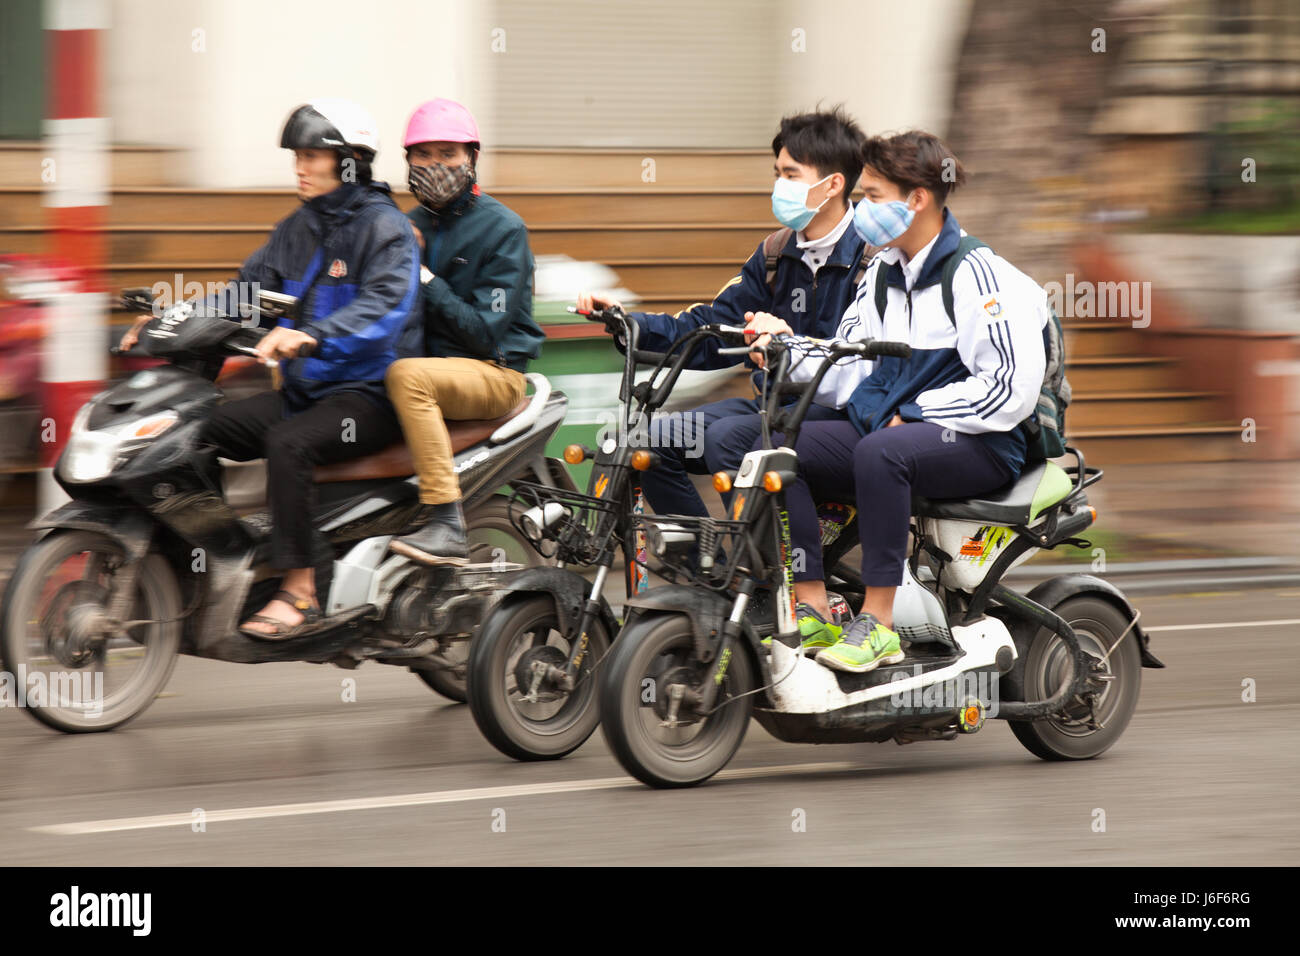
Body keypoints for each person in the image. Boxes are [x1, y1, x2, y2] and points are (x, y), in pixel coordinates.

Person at [744, 130, 1048, 672]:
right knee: (779, 441)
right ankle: (812, 603)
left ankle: (879, 625)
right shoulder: (883, 273)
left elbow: (1009, 391)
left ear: (918, 199)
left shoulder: (981, 276)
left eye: (873, 197)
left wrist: (918, 411)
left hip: (983, 442)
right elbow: (846, 361)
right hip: (900, 433)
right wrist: (784, 350)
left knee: (880, 452)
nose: (861, 211)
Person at [122, 98, 422, 640]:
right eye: (297, 157)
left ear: (351, 160)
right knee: (196, 428)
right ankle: (202, 562)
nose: (299, 168)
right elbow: (241, 296)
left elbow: (385, 307)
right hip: (308, 392)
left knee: (289, 443)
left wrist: (312, 333)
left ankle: (301, 591)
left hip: (368, 396)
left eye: (312, 155)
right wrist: (163, 325)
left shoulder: (387, 229)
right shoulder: (296, 228)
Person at [575, 107, 872, 520]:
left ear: (833, 184)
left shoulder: (874, 257)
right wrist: (631, 323)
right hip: (772, 407)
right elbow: (714, 328)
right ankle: (703, 569)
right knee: (644, 439)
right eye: (776, 173)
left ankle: (760, 571)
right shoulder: (774, 253)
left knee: (728, 437)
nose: (778, 185)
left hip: (839, 418)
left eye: (790, 175)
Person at [384, 98, 545, 566]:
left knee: (406, 377)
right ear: (408, 162)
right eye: (424, 155)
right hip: (429, 368)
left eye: (448, 154)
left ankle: (445, 522)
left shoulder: (503, 229)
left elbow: (484, 333)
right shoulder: (404, 226)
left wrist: (424, 276)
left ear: (471, 158)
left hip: (492, 373)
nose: (436, 166)